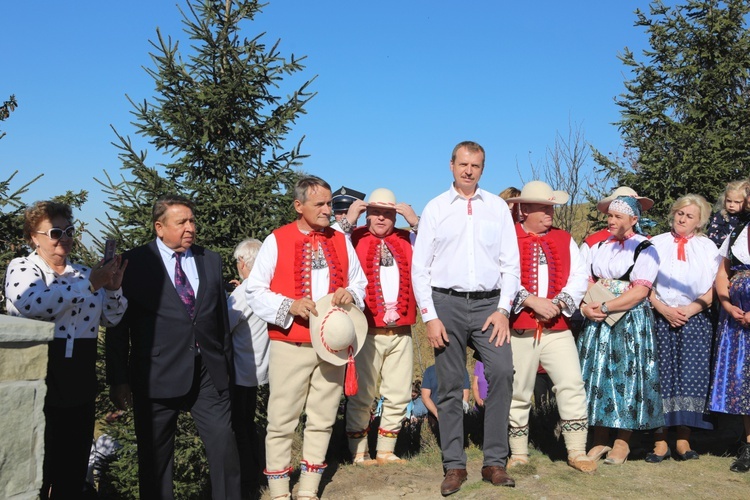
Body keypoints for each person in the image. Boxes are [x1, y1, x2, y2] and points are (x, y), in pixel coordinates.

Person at [105, 194, 241, 500]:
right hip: (156, 374)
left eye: (192, 220)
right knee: (155, 458)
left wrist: (225, 367)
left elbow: (219, 319)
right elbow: (117, 326)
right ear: (159, 227)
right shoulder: (134, 263)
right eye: (181, 222)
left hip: (208, 372)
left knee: (224, 446)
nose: (190, 227)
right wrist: (118, 379)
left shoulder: (211, 260)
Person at [246, 176, 367, 500]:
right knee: (281, 420)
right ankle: (279, 492)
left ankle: (309, 489)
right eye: (321, 204)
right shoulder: (277, 239)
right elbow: (254, 289)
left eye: (329, 203)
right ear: (299, 206)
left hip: (332, 348)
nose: (329, 209)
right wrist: (289, 305)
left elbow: (360, 283)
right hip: (290, 344)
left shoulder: (341, 240)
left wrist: (350, 294)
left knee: (324, 417)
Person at [412, 140, 520, 495]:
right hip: (447, 303)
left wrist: (504, 310)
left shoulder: (497, 209)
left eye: (475, 165)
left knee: (503, 371)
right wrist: (429, 316)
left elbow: (511, 266)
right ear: (451, 165)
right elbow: (420, 269)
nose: (469, 170)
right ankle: (454, 466)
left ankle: (494, 462)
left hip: (490, 304)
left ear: (482, 169)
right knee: (448, 383)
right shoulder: (436, 208)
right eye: (463, 164)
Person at [4, 201, 127, 499]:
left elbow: (112, 317)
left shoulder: (83, 273)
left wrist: (112, 288)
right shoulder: (22, 267)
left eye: (69, 231)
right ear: (34, 236)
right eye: (56, 232)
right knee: (35, 468)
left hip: (78, 380)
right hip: (36, 376)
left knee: (71, 470)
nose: (65, 239)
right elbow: (32, 303)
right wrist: (90, 284)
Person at [504, 181, 594, 473]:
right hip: (520, 327)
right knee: (518, 390)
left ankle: (577, 451)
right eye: (543, 208)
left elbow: (579, 276)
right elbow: (500, 275)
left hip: (558, 326)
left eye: (551, 208)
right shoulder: (507, 238)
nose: (550, 213)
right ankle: (518, 452)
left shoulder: (564, 238)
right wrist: (530, 301)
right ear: (525, 208)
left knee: (571, 384)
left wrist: (558, 303)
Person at [578, 192, 664, 465]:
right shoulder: (601, 245)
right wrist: (586, 307)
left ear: (633, 219)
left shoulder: (645, 248)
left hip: (628, 320)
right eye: (610, 216)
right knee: (598, 376)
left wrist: (605, 307)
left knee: (626, 378)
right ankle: (599, 438)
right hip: (598, 319)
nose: (611, 220)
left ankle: (622, 441)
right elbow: (586, 279)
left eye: (617, 216)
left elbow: (639, 291)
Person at [342, 188, 420, 466]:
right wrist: (350, 219)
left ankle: (386, 450)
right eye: (376, 213)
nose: (381, 219)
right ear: (367, 214)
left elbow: (439, 247)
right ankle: (358, 451)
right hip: (367, 332)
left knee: (398, 393)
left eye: (387, 213)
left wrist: (415, 221)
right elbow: (332, 243)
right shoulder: (352, 238)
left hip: (401, 331)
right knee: (362, 394)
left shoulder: (407, 238)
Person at [648, 194, 720, 463]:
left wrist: (690, 310)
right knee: (659, 377)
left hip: (695, 320)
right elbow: (644, 284)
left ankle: (683, 440)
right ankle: (659, 442)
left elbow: (715, 287)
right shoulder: (656, 243)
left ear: (699, 221)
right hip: (659, 318)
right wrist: (663, 309)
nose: (682, 218)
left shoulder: (708, 247)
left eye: (689, 216)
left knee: (691, 377)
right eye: (679, 213)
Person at [709, 186, 750, 473]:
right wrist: (726, 302)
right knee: (744, 385)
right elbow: (723, 272)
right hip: (737, 321)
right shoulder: (738, 231)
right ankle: (749, 446)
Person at [227, 238, 270, 497]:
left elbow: (226, 324)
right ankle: (257, 474)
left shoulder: (242, 293)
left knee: (239, 428)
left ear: (243, 262)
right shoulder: (263, 287)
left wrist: (231, 296)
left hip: (239, 369)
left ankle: (248, 482)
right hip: (258, 367)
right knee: (249, 424)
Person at [420, 364, 470, 441]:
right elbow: (425, 397)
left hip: (456, 416)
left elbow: (465, 394)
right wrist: (437, 413)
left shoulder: (461, 369)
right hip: (435, 416)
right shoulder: (430, 371)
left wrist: (460, 412)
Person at [707, 180, 750, 248]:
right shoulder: (722, 215)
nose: (731, 205)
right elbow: (712, 236)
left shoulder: (747, 217)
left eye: (737, 202)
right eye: (729, 201)